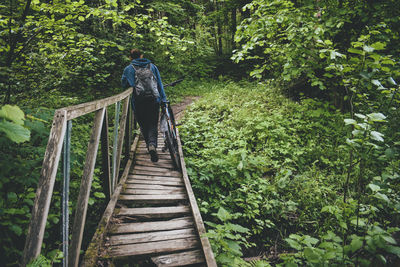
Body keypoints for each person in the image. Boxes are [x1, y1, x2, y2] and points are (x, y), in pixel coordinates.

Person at [121, 49, 167, 162]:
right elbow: (159, 84)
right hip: (153, 100)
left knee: (143, 125)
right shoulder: (152, 66)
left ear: (130, 57)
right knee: (152, 124)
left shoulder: (128, 69)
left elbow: (124, 84)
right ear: (142, 56)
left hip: (139, 101)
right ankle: (152, 145)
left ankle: (149, 145)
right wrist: (163, 99)